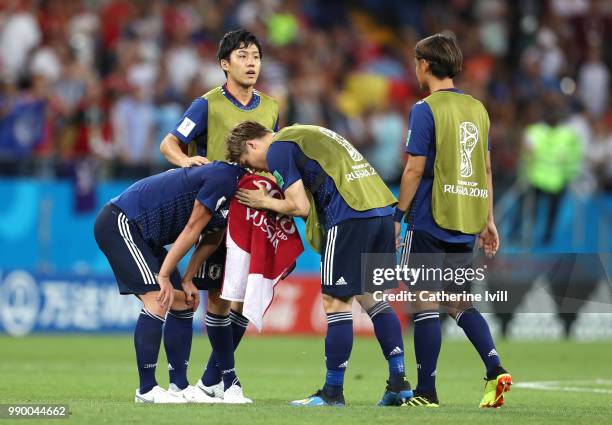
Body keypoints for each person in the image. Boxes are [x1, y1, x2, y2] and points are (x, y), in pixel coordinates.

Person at [226, 122, 413, 407]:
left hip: (350, 215)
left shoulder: (278, 149)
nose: (257, 171)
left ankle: (332, 392)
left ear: (252, 144)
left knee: (335, 303)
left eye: (247, 163)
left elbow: (298, 205)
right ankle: (399, 383)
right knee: (374, 301)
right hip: (380, 212)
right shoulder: (305, 132)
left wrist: (264, 201)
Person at [158, 29, 279, 400]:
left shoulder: (271, 107)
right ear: (225, 65)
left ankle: (213, 380)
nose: (251, 63)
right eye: (242, 56)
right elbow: (168, 143)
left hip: (255, 212)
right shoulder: (207, 105)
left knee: (239, 297)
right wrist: (186, 162)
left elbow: (273, 158)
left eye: (256, 56)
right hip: (215, 213)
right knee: (214, 298)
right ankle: (209, 381)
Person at [394, 33, 511, 408]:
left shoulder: (425, 109)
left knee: (425, 303)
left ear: (425, 65)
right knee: (460, 302)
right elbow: (487, 168)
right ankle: (495, 369)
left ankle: (426, 392)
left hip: (431, 218)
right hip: (466, 219)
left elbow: (414, 169)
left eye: (417, 63)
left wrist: (399, 216)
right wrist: (487, 219)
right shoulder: (478, 108)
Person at [94, 161, 249, 403]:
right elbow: (191, 229)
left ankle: (179, 385)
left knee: (184, 302)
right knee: (159, 298)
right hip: (120, 222)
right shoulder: (223, 177)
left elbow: (212, 237)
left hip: (146, 237)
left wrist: (188, 279)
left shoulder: (231, 190)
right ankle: (146, 390)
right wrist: (164, 276)